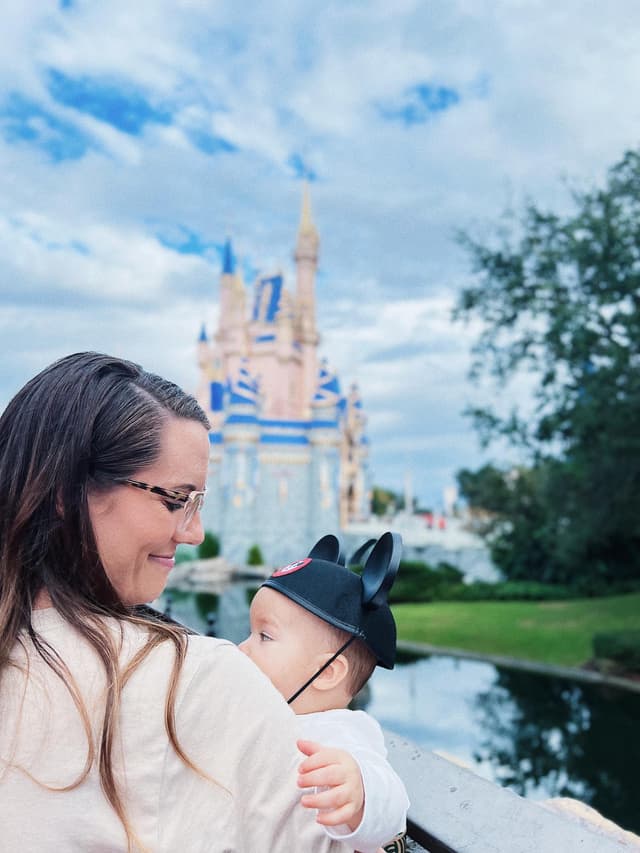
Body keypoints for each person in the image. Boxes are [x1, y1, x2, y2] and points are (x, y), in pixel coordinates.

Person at [0, 352, 348, 853]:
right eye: (174, 500)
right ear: (67, 491)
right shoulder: (192, 680)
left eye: (198, 503)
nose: (193, 532)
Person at [239, 532, 410, 853]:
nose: (242, 648)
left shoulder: (339, 736)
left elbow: (390, 812)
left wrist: (360, 790)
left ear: (327, 672)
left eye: (264, 636)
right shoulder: (260, 717)